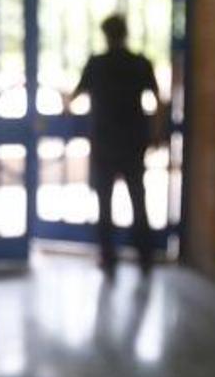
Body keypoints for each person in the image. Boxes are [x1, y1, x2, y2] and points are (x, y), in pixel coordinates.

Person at [66, 14, 163, 275]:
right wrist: (156, 134)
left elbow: (75, 97)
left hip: (104, 143)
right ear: (125, 34)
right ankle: (146, 257)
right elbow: (157, 100)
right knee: (138, 200)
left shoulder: (96, 65)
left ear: (105, 35)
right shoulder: (140, 63)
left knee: (105, 203)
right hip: (133, 142)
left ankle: (108, 259)